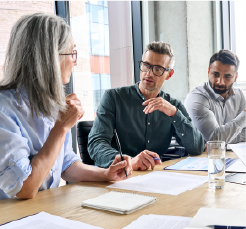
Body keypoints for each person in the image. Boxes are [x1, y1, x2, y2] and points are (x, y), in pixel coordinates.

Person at [0, 13, 132, 200]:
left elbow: (66, 165)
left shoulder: (51, 104)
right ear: (50, 58)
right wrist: (61, 127)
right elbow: (24, 188)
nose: (75, 61)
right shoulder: (3, 110)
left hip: (42, 212)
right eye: (71, 53)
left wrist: (105, 174)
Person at [88, 41, 204, 170]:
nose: (149, 73)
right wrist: (129, 162)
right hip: (120, 176)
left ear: (169, 74)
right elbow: (96, 144)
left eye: (158, 69)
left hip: (156, 177)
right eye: (146, 65)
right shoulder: (113, 98)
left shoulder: (173, 105)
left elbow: (197, 147)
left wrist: (174, 113)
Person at [184, 49, 246, 144]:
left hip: (230, 156)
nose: (220, 81)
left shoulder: (239, 95)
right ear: (208, 72)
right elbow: (214, 141)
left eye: (227, 76)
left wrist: (226, 138)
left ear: (236, 77)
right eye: (215, 74)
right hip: (201, 158)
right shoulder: (197, 98)